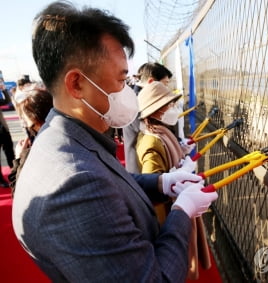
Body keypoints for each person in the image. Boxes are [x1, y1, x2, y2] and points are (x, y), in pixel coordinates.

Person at [12, 2, 218, 282]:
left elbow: (110, 179)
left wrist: (162, 183)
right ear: (76, 84)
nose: (127, 91)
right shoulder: (73, 185)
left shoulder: (68, 138)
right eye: (122, 80)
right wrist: (182, 211)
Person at [137, 81, 208, 280]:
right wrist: (179, 170)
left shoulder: (159, 132)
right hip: (171, 214)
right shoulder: (152, 141)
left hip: (177, 206)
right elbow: (152, 180)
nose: (173, 109)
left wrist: (180, 150)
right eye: (169, 105)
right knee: (179, 261)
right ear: (157, 111)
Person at [122, 62, 174, 174]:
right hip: (141, 167)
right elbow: (151, 132)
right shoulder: (138, 103)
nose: (166, 89)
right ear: (151, 82)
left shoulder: (136, 98)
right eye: (164, 84)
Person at [8, 86, 53, 196]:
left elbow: (18, 193)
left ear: (34, 118)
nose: (23, 122)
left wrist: (18, 158)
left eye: (24, 117)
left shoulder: (34, 152)